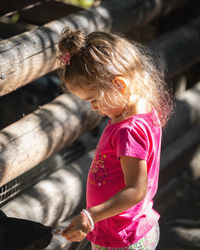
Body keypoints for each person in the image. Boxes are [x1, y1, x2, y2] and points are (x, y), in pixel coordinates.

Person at [57, 27, 173, 249]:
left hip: (121, 237)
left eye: (94, 100)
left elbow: (135, 190)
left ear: (119, 85)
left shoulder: (128, 130)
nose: (93, 108)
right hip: (124, 228)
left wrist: (91, 216)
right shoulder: (140, 109)